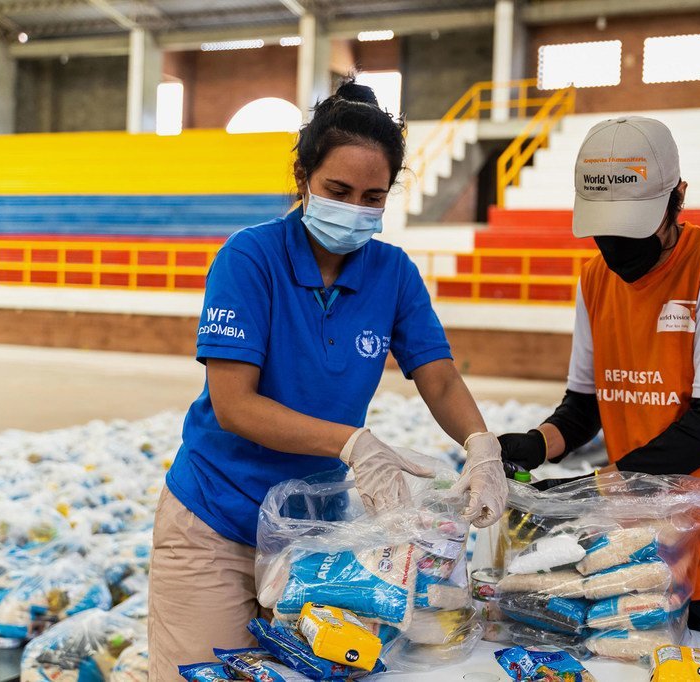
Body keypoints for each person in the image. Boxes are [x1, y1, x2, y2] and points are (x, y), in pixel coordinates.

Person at [148, 80, 507, 680]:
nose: (355, 210)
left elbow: (438, 378)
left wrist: (481, 446)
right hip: (217, 520)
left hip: (310, 533)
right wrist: (353, 444)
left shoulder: (391, 272)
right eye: (338, 191)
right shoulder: (250, 258)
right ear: (302, 177)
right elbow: (234, 405)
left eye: (373, 197)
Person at [499, 117, 700, 681]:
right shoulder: (596, 280)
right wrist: (533, 446)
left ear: (677, 200)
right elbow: (585, 405)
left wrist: (593, 490)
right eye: (604, 232)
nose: (617, 249)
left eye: (633, 229)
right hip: (646, 561)